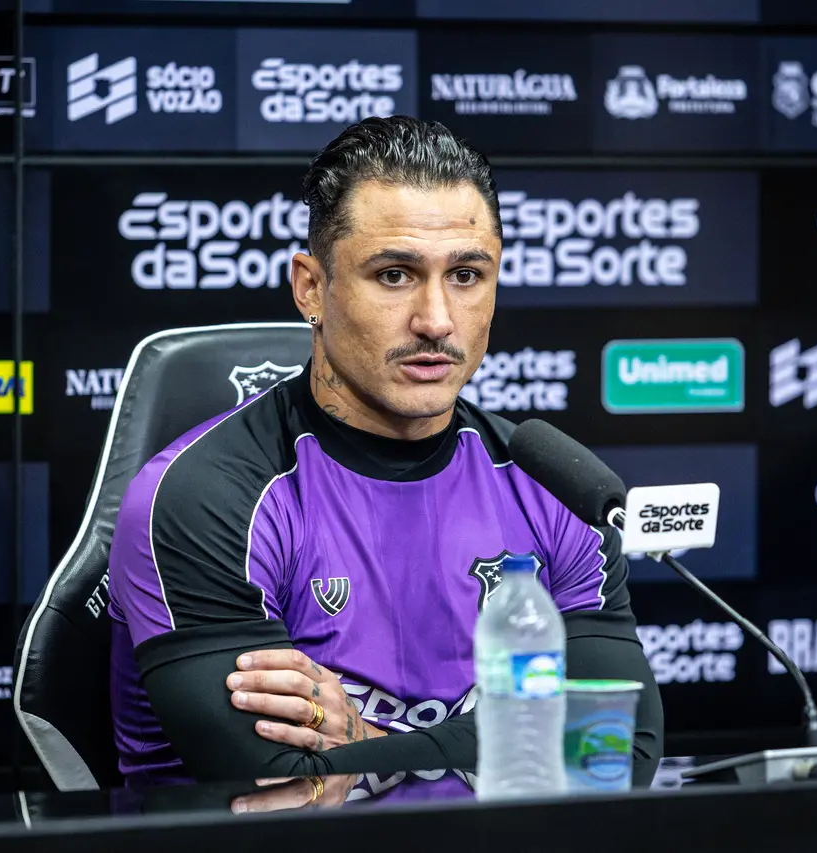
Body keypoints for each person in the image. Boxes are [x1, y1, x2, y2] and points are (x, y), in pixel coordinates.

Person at [106, 115, 663, 791]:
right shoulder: (208, 496)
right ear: (311, 287)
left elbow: (619, 750)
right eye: (395, 274)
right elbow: (279, 787)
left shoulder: (555, 487)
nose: (436, 320)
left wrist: (368, 742)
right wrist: (527, 734)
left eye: (466, 275)